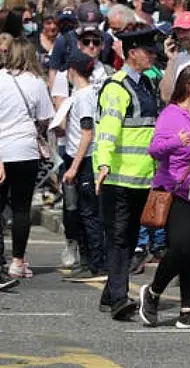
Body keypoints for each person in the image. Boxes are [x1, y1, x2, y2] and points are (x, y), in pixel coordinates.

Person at [139, 66, 190, 331]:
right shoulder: (171, 114)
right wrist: (176, 141)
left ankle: (188, 310)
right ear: (188, 86)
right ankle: (153, 292)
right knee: (182, 246)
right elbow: (154, 150)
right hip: (176, 190)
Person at [95, 26, 162, 320]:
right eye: (148, 52)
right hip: (119, 178)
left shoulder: (148, 83)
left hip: (142, 178)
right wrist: (103, 164)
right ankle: (120, 299)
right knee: (121, 239)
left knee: (130, 236)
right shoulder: (116, 87)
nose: (153, 57)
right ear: (131, 53)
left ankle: (110, 293)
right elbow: (107, 130)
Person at [0, 39, 54, 279]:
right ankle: (17, 261)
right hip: (25, 149)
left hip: (1, 149)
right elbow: (46, 118)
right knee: (21, 207)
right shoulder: (36, 82)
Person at [59, 49, 107, 282]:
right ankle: (88, 260)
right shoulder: (78, 94)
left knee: (89, 213)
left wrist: (74, 167)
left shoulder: (86, 95)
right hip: (75, 156)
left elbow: (87, 133)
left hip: (85, 159)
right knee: (79, 212)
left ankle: (97, 264)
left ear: (72, 70)